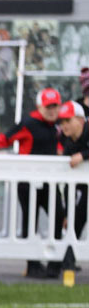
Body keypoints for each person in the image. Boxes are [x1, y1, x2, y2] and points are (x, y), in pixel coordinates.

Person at [0, 87, 61, 278]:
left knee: (59, 216)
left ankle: (55, 263)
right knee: (30, 222)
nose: (52, 111)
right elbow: (5, 139)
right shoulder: (28, 123)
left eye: (55, 107)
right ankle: (33, 264)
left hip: (50, 182)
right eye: (48, 107)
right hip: (28, 183)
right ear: (39, 107)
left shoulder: (59, 125)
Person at [57, 101, 89, 239]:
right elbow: (68, 185)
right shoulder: (68, 142)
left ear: (81, 121)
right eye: (62, 121)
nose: (64, 125)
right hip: (82, 187)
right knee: (76, 217)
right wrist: (67, 214)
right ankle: (68, 258)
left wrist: (83, 155)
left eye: (68, 120)